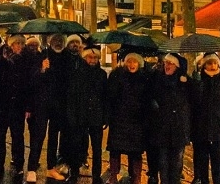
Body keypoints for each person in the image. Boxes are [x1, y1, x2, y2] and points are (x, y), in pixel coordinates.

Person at [0, 35, 27, 179]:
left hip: (17, 105)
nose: (19, 46)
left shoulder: (24, 60)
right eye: (16, 44)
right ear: (11, 45)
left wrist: (27, 106)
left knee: (18, 137)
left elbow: (27, 85)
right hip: (1, 105)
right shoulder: (1, 57)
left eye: (21, 44)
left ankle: (19, 164)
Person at [107, 53, 150, 184]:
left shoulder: (144, 78)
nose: (132, 65)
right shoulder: (118, 75)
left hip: (137, 120)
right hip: (119, 118)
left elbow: (146, 99)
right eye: (129, 62)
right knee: (115, 149)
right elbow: (111, 95)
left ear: (139, 63)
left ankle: (136, 176)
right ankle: (113, 174)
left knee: (135, 151)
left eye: (134, 62)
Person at [191, 54, 220, 184]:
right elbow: (193, 102)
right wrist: (197, 83)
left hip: (218, 126)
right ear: (204, 65)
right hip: (200, 126)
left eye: (215, 63)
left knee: (217, 161)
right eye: (209, 63)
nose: (212, 66)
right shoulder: (199, 80)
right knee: (201, 161)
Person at [65, 46, 106, 183]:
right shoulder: (77, 74)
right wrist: (72, 115)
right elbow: (71, 96)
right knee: (76, 145)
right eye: (90, 57)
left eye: (95, 58)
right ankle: (74, 171)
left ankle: (96, 175)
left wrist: (105, 117)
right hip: (80, 115)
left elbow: (105, 97)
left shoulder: (101, 74)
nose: (93, 60)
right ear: (85, 57)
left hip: (96, 116)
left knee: (97, 148)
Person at [149, 53, 190, 184]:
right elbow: (150, 96)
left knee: (177, 162)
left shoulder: (184, 81)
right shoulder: (158, 79)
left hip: (179, 128)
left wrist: (188, 80)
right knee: (163, 162)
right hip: (162, 128)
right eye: (166, 63)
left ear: (177, 66)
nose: (167, 66)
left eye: (170, 63)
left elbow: (196, 97)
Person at [43, 34, 72, 180]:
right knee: (52, 136)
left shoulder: (69, 57)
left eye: (61, 40)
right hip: (51, 103)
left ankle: (64, 163)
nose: (58, 43)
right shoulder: (45, 55)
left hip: (66, 102)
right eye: (56, 40)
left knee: (66, 136)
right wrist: (44, 69)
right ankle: (50, 166)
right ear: (50, 41)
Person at [23, 36, 51, 183]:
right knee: (36, 136)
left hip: (49, 105)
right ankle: (31, 168)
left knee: (42, 137)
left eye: (36, 45)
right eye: (31, 45)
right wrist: (42, 69)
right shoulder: (31, 59)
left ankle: (40, 166)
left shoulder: (48, 55)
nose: (33, 47)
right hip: (35, 105)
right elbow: (29, 83)